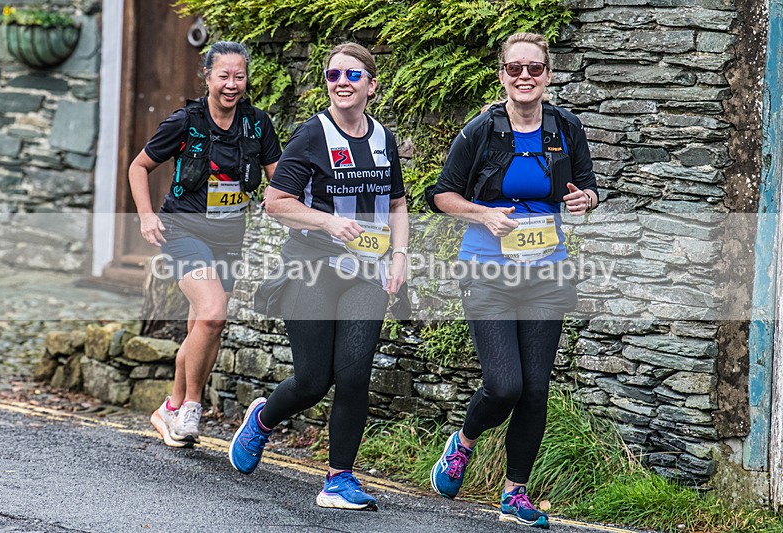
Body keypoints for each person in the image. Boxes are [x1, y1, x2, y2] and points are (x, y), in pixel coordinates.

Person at [425, 32, 598, 528]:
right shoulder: (480, 130)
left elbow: (587, 187)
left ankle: (514, 493)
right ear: (501, 74)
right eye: (515, 68)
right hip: (488, 270)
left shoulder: (566, 127)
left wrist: (584, 199)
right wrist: (482, 214)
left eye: (535, 68)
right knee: (504, 385)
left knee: (536, 389)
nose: (525, 76)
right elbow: (442, 196)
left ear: (548, 75)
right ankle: (463, 443)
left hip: (546, 271)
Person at [228, 42, 408, 511]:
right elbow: (275, 201)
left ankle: (338, 480)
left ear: (371, 84)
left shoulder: (382, 138)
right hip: (311, 266)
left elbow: (396, 203)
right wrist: (328, 222)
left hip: (367, 271)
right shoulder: (313, 135)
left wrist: (401, 255)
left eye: (352, 75)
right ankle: (263, 420)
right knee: (312, 381)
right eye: (333, 75)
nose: (342, 83)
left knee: (353, 375)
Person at [128, 41, 281, 448]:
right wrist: (146, 216)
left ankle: (171, 407)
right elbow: (139, 167)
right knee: (213, 314)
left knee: (203, 328)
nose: (232, 84)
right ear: (208, 77)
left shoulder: (257, 125)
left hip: (229, 239)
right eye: (224, 76)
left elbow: (278, 178)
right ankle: (191, 405)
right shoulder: (186, 122)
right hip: (183, 231)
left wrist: (279, 196)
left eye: (239, 76)